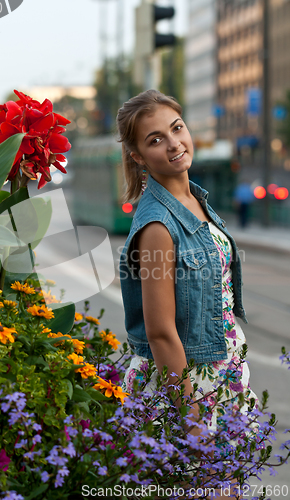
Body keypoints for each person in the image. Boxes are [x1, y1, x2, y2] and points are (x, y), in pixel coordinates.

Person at [117, 90, 258, 499]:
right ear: (138, 156)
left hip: (222, 376)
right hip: (191, 386)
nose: (174, 142)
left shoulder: (194, 199)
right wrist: (191, 419)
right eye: (155, 139)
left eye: (176, 128)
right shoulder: (159, 225)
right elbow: (160, 331)